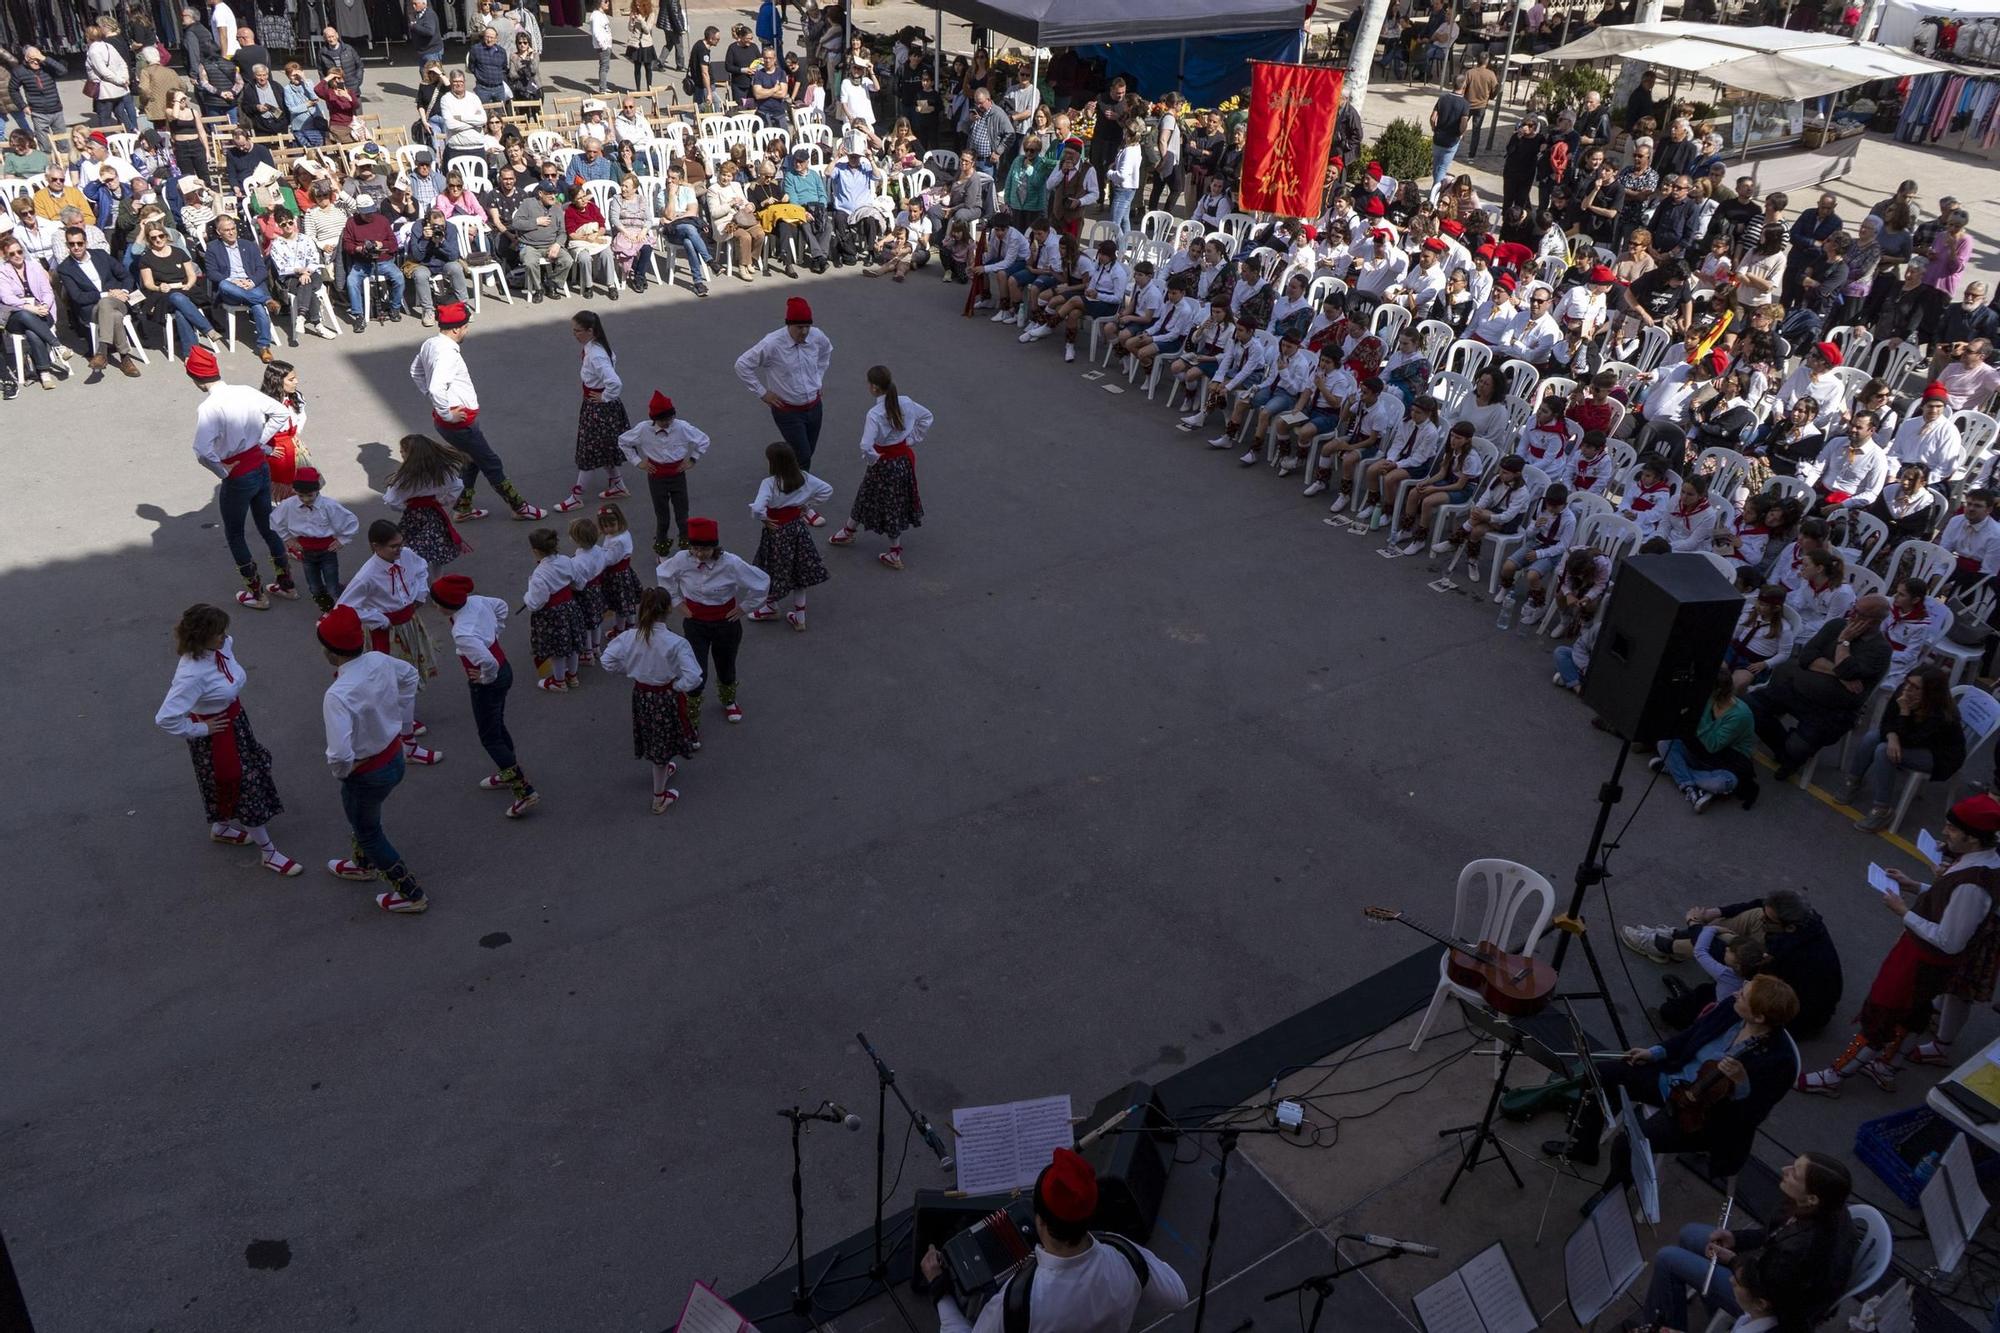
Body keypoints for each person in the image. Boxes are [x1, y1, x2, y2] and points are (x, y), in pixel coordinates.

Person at [1801, 793, 2000, 1092]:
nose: (1945, 833)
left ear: (1972, 839)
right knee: (1913, 1015)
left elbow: (1949, 940)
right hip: (1924, 959)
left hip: (1922, 961)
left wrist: (1904, 912)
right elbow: (1951, 902)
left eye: (1952, 829)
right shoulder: (1983, 864)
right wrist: (1915, 885)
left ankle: (1835, 1077)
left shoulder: (1974, 884)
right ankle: (1887, 1067)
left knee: (1882, 1016)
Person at [1545, 974, 1801, 1203]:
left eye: (1744, 994)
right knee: (1598, 1075)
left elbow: (1751, 1116)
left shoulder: (1780, 1062)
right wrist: (1655, 1053)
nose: (1736, 993)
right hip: (1672, 1079)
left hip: (1703, 1115)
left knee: (1629, 1142)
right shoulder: (1731, 1010)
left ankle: (1612, 1196)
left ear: (1758, 1017)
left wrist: (1742, 1083)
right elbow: (1692, 1035)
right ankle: (1584, 1146)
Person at [921, 1147, 1188, 1333]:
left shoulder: (1018, 1300)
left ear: (1040, 1221)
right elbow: (1178, 1297)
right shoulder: (1126, 1256)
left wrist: (939, 1291)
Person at [154, 602, 301, 877]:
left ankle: (221, 827)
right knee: (245, 788)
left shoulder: (222, 646)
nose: (225, 635)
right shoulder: (191, 675)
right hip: (217, 737)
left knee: (231, 784)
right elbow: (166, 718)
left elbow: (227, 660)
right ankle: (268, 852)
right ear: (201, 636)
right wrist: (202, 729)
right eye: (218, 632)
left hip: (235, 725)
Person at [1642, 1153, 1857, 1330]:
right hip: (1769, 1274)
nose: (1784, 1169)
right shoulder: (1821, 1205)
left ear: (1812, 1198)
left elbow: (1764, 1285)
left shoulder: (1801, 1249)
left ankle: (1660, 1327)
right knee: (1691, 1234)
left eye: (1794, 1173)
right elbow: (1774, 1234)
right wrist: (1736, 1238)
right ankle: (1702, 1305)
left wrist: (1735, 1261)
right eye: (1792, 1164)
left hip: (1768, 1307)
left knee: (1666, 1259)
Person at [316, 604, 430, 915]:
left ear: (330, 651)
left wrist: (343, 772)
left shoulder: (337, 694)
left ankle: (410, 891)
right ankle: (361, 863)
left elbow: (339, 754)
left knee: (368, 830)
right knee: (364, 820)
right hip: (394, 756)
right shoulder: (379, 660)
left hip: (367, 771)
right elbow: (410, 676)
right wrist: (400, 716)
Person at [408, 300, 547, 521]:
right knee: (491, 463)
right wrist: (446, 412)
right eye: (465, 327)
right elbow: (436, 387)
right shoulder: (448, 354)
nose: (466, 330)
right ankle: (519, 507)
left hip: (455, 422)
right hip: (460, 424)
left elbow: (415, 371)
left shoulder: (430, 344)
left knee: (471, 461)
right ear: (456, 329)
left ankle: (463, 507)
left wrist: (431, 397)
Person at [186, 346, 300, 608]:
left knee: (235, 534)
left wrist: (223, 470)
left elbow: (202, 451)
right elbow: (280, 414)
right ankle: (286, 584)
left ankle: (257, 593)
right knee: (268, 526)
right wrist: (258, 442)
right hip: (260, 466)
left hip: (239, 475)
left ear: (195, 379)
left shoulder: (209, 407)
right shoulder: (246, 391)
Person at [1748, 595, 1892, 781]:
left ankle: (1791, 753)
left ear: (1872, 621)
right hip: (1796, 690)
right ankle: (1785, 752)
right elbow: (1806, 657)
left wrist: (1843, 642)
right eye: (1853, 608)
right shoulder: (1836, 625)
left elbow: (1847, 671)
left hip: (1831, 711)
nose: (1851, 614)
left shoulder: (1880, 650)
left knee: (1797, 747)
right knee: (1750, 705)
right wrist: (1838, 672)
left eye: (1857, 612)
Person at [429, 573, 538, 819]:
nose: (434, 606)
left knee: (489, 736)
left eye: (436, 603)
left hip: (490, 681)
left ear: (447, 605)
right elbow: (501, 606)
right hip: (505, 669)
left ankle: (523, 789)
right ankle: (509, 768)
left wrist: (485, 678)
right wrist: (495, 631)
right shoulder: (476, 601)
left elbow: (487, 661)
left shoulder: (463, 633)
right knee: (497, 724)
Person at [655, 516, 769, 733]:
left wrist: (745, 607)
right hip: (695, 623)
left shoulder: (731, 563)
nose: (699, 554)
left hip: (726, 623)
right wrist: (678, 602)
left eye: (704, 550)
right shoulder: (682, 559)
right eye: (695, 549)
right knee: (695, 669)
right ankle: (692, 716)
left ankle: (728, 700)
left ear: (715, 547)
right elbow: (664, 574)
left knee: (726, 663)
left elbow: (761, 582)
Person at [598, 586, 702, 813]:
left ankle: (662, 770)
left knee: (654, 737)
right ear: (667, 610)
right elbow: (694, 677)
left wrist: (629, 670)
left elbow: (607, 661)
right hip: (666, 696)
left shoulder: (627, 637)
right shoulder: (675, 643)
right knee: (662, 743)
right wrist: (677, 686)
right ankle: (659, 797)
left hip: (642, 695)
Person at [1838, 664, 1964, 833]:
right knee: (1871, 738)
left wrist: (1904, 712)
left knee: (1884, 752)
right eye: (1908, 683)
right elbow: (1887, 721)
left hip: (1938, 756)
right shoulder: (1904, 692)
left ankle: (1882, 810)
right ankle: (1853, 781)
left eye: (1916, 688)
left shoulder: (1941, 715)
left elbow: (1912, 740)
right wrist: (1891, 735)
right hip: (1908, 738)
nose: (1908, 689)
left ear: (1929, 692)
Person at [830, 366, 933, 570]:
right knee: (875, 497)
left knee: (883, 502)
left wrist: (872, 459)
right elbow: (927, 417)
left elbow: (866, 445)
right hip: (902, 460)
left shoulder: (875, 414)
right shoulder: (905, 402)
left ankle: (893, 552)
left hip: (883, 463)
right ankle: (849, 530)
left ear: (875, 388)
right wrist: (911, 440)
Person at [736, 296, 834, 489]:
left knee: (807, 452)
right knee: (804, 456)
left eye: (807, 326)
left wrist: (818, 379)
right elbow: (742, 365)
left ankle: (783, 471)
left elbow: (826, 353)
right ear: (788, 325)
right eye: (799, 327)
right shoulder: (772, 343)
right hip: (787, 411)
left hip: (814, 407)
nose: (804, 332)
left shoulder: (817, 336)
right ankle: (798, 498)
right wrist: (763, 393)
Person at [553, 309, 630, 513]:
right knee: (606, 447)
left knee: (588, 451)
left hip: (599, 409)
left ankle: (576, 497)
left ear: (590, 331)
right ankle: (617, 484)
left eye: (577, 331)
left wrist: (603, 396)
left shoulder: (596, 355)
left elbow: (614, 382)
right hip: (601, 407)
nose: (574, 334)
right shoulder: (596, 346)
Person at [748, 441, 832, 629]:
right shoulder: (804, 477)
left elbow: (758, 507)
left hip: (777, 532)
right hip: (797, 530)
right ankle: (800, 617)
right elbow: (827, 490)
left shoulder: (770, 483)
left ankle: (770, 606)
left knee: (770, 568)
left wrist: (763, 518)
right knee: (798, 571)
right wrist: (807, 505)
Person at [1652, 668, 1757, 813]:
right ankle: (1689, 784)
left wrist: (1694, 717)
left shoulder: (1739, 715)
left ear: (1716, 691)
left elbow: (1713, 745)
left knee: (1719, 784)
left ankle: (1677, 772)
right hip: (1700, 753)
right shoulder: (1709, 700)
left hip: (1727, 763)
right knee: (1664, 744)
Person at [620, 390, 710, 557]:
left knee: (683, 515)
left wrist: (692, 460)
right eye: (663, 420)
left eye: (670, 419)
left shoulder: (682, 427)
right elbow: (623, 441)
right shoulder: (643, 429)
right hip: (656, 477)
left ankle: (686, 549)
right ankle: (662, 551)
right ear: (654, 419)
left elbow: (703, 440)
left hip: (677, 476)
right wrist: (638, 462)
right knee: (663, 517)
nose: (667, 423)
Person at [54, 226, 143, 377]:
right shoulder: (65, 268)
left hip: (119, 301)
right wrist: (106, 294)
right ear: (67, 245)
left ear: (86, 243)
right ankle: (124, 358)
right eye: (71, 244)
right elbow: (77, 297)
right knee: (109, 309)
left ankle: (102, 352)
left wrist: (124, 292)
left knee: (108, 306)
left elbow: (126, 276)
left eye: (79, 243)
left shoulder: (100, 255)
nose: (76, 247)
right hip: (92, 309)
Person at [383, 433, 471, 570]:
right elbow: (458, 486)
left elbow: (392, 501)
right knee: (437, 549)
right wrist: (443, 501)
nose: (400, 452)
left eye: (403, 451)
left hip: (413, 517)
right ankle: (436, 581)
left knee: (410, 549)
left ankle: (416, 577)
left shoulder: (404, 479)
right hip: (434, 514)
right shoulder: (441, 472)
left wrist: (404, 507)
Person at [523, 525, 586, 692]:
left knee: (556, 650)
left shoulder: (539, 574)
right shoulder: (566, 560)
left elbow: (537, 602)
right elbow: (578, 582)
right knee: (572, 643)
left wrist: (527, 595)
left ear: (535, 551)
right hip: (570, 608)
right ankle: (572, 676)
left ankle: (559, 681)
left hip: (551, 615)